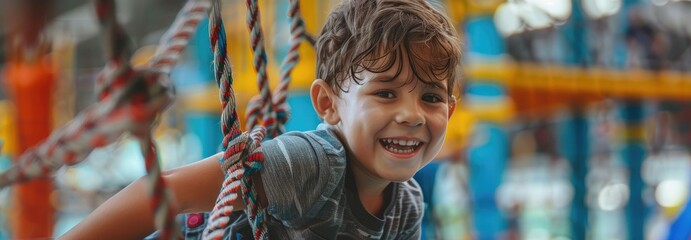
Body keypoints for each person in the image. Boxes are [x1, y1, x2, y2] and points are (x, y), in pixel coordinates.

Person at [60, 0, 461, 238]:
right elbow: (169, 192)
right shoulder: (312, 163)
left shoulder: (406, 206)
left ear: (451, 109)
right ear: (328, 104)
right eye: (385, 93)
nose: (412, 115)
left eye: (430, 97)